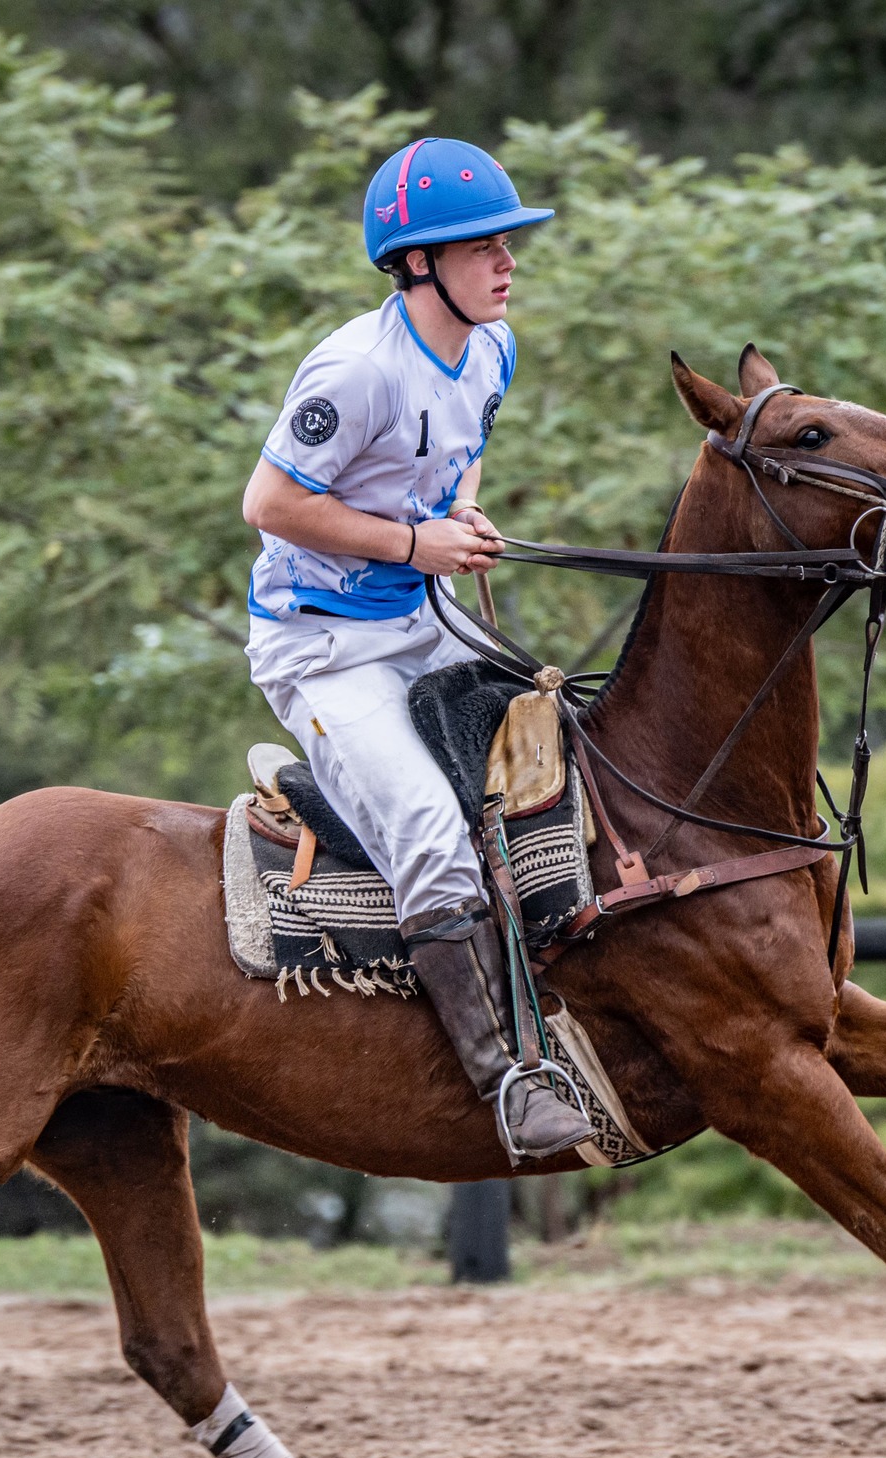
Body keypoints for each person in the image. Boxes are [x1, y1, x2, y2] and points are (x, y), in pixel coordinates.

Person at [240, 137, 593, 1163]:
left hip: (424, 623)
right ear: (413, 263)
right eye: (480, 246)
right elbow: (265, 503)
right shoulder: (354, 371)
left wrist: (464, 521)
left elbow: (465, 449)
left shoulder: (493, 346)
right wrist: (411, 543)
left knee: (563, 749)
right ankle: (511, 1083)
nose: (506, 261)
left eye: (508, 243)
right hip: (324, 650)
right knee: (434, 839)